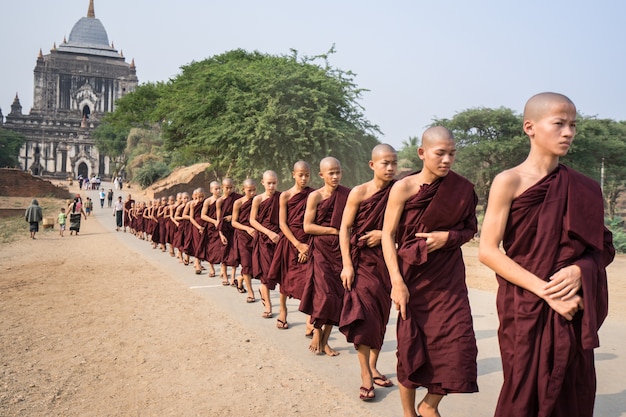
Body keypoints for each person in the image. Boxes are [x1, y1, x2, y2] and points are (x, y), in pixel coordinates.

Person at [478, 92, 615, 417]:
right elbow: (486, 250)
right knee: (523, 390)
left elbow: (603, 247)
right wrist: (546, 292)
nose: (568, 132)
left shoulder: (583, 187)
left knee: (570, 390)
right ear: (530, 127)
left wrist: (581, 269)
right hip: (524, 305)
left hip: (571, 305)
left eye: (573, 125)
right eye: (559, 124)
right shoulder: (508, 181)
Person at [381, 126, 479, 417]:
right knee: (411, 348)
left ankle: (429, 404)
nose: (447, 160)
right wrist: (396, 282)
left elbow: (470, 230)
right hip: (412, 278)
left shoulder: (462, 189)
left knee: (459, 347)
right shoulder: (404, 188)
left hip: (448, 280)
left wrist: (447, 238)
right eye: (440, 153)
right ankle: (409, 413)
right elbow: (388, 236)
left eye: (452, 153)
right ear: (422, 153)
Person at [339, 144, 398, 401]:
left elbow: (406, 229)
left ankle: (373, 365)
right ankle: (365, 373)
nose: (390, 167)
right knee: (365, 317)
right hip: (362, 261)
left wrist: (384, 235)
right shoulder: (359, 192)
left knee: (381, 317)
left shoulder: (400, 192)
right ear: (372, 165)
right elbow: (345, 228)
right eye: (385, 163)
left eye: (394, 163)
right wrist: (347, 264)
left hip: (388, 263)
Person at [299, 157, 351, 356]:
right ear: (322, 175)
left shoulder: (346, 194)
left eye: (338, 172)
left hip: (339, 252)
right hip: (321, 250)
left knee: (337, 296)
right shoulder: (316, 196)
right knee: (323, 295)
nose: (335, 176)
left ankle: (325, 340)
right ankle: (317, 332)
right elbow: (307, 226)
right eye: (331, 173)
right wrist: (332, 231)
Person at [267, 161, 314, 330]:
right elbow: (282, 223)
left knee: (310, 280)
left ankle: (310, 319)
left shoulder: (313, 195)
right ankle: (283, 310)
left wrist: (306, 246)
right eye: (300, 175)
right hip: (290, 242)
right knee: (285, 280)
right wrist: (297, 245)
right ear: (293, 174)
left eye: (307, 175)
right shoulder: (285, 196)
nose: (303, 178)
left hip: (308, 242)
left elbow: (315, 221)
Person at [250, 171, 282, 321]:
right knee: (265, 274)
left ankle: (283, 309)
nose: (271, 186)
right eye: (269, 183)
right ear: (262, 182)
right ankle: (268, 306)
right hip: (264, 238)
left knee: (280, 273)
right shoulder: (258, 199)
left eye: (274, 183)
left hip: (279, 239)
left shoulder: (281, 197)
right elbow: (253, 221)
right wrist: (268, 233)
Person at [231, 178, 258, 301]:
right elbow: (234, 222)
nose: (252, 193)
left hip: (256, 236)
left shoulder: (258, 201)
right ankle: (251, 293)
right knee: (246, 264)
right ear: (243, 190)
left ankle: (240, 279)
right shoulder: (238, 203)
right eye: (249, 191)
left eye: (254, 190)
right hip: (243, 236)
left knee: (255, 264)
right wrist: (247, 228)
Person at [216, 178, 243, 286]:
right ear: (223, 187)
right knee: (224, 254)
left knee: (234, 254)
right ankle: (225, 277)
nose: (229, 190)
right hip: (224, 229)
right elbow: (218, 219)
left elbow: (244, 212)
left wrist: (233, 216)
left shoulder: (238, 198)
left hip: (235, 229)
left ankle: (233, 277)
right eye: (227, 188)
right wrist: (220, 234)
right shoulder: (220, 201)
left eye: (231, 187)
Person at [200, 182, 222, 277]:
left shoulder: (223, 200)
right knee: (211, 248)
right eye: (216, 189)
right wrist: (214, 221)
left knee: (222, 248)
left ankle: (222, 270)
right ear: (211, 190)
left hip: (221, 227)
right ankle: (212, 269)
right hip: (211, 228)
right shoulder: (208, 201)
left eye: (219, 188)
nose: (218, 190)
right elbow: (203, 215)